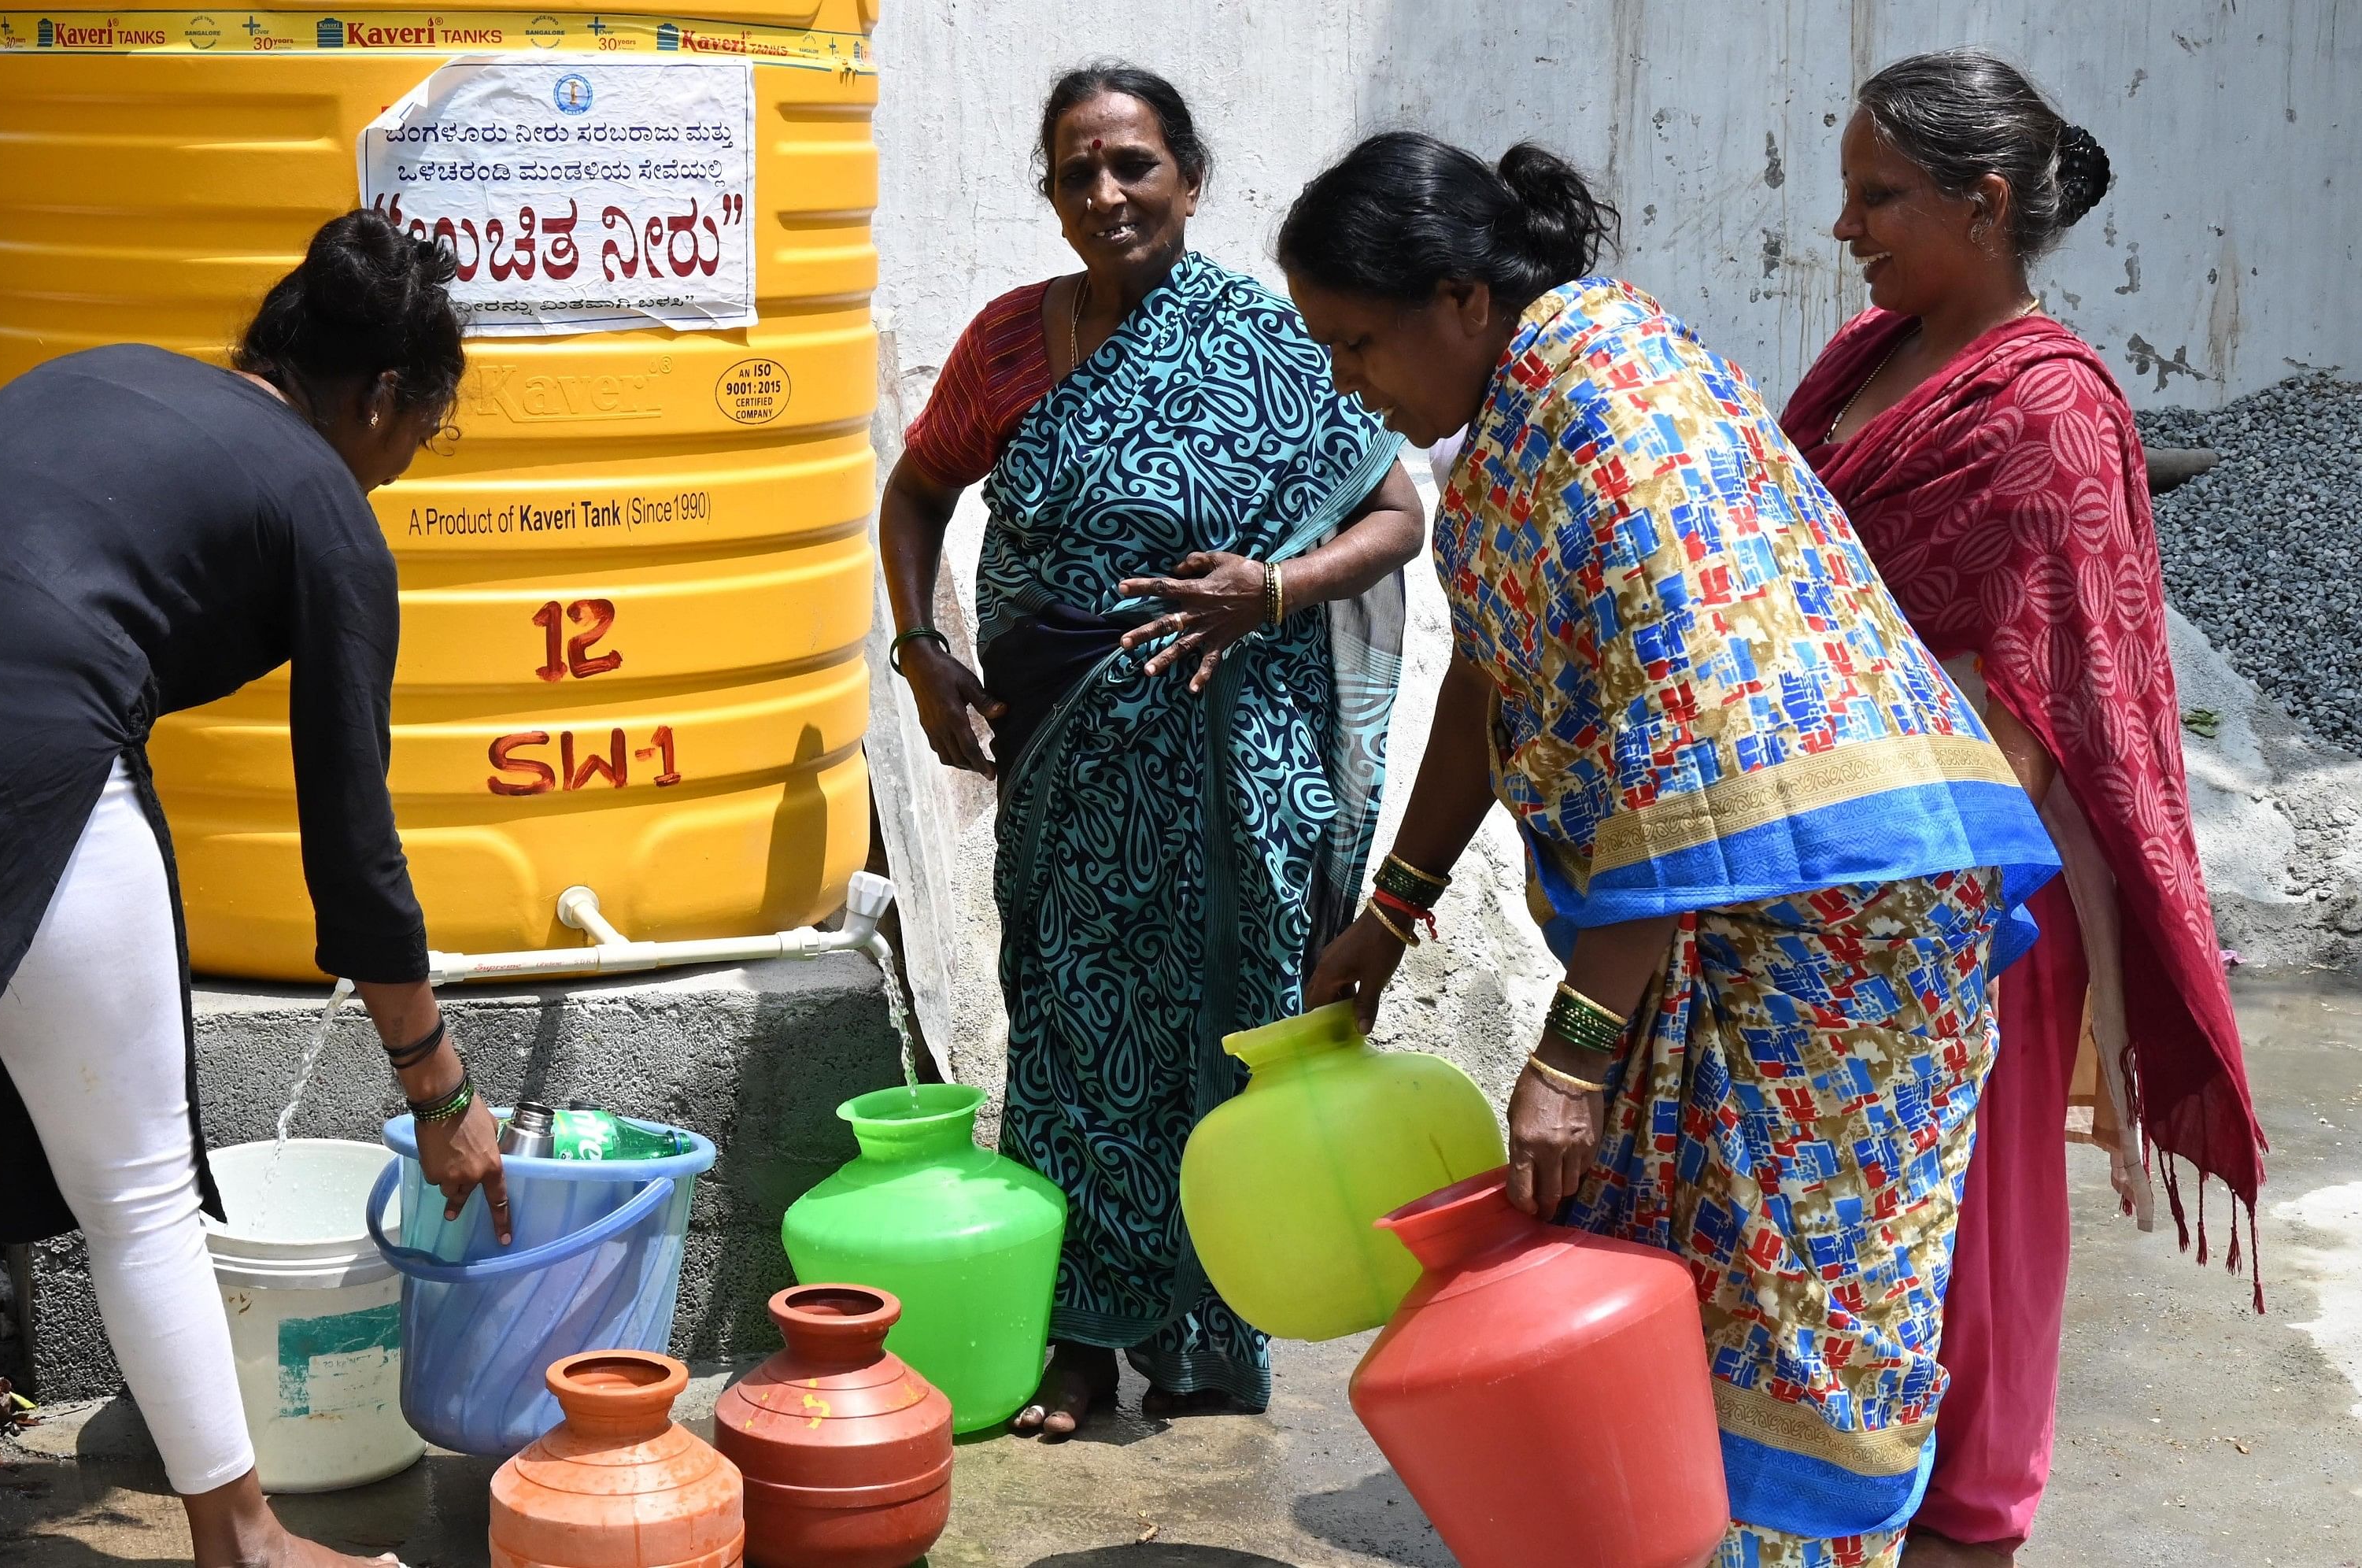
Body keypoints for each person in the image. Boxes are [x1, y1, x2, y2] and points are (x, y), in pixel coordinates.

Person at [0, 209, 508, 1568]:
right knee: (136, 1193)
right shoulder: (324, 508)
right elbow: (352, 844)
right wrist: (438, 1086)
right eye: (423, 434)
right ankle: (244, 1541)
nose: (404, 467)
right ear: (377, 399)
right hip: (9, 741)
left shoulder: (96, 372)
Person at [1283, 135, 2058, 1566]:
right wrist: (1387, 916)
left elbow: (1672, 762)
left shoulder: (1604, 412)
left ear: (1460, 297)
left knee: (1792, 1307)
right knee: (1670, 1284)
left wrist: (1570, 1061)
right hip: (1724, 907)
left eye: (1357, 341)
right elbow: (1494, 676)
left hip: (1837, 936)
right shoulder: (1532, 404)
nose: (1351, 383)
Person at [881, 63, 1423, 1434]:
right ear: (1051, 196)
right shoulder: (1008, 344)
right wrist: (919, 650)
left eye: (1133, 165)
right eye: (1078, 173)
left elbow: (1395, 513)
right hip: (1064, 772)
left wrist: (1275, 594)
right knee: (1065, 1038)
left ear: (1189, 178)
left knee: (1224, 1040)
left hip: (1237, 781)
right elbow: (917, 490)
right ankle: (1076, 1337)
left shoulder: (1280, 340)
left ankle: (1201, 1343)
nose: (1108, 194)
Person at [1776, 50, 2265, 1566]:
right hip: (1830, 843)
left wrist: (1908, 843)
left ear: (1983, 204)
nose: (1844, 224)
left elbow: (2047, 698)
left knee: (1975, 1206)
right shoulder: (1870, 353)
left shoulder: (2049, 413)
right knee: (1842, 1199)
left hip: (1974, 871)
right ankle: (1844, 1474)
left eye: (1879, 196)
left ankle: (1976, 1515)